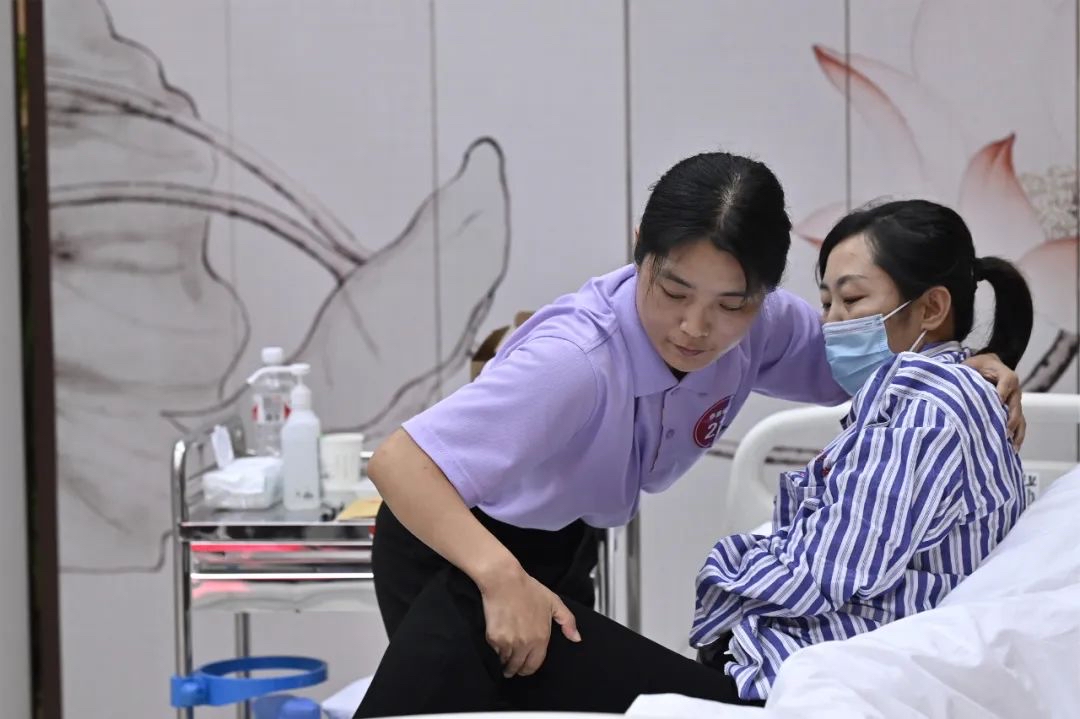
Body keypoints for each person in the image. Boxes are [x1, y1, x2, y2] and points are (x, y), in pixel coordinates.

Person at [353, 198, 1033, 716]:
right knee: (466, 620)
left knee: (492, 650)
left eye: (732, 303)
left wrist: (979, 359)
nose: (696, 326)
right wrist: (501, 577)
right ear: (640, 253)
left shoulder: (923, 405)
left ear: (763, 295)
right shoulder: (575, 357)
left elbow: (832, 565)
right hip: (458, 532)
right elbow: (400, 461)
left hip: (772, 666)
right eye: (675, 291)